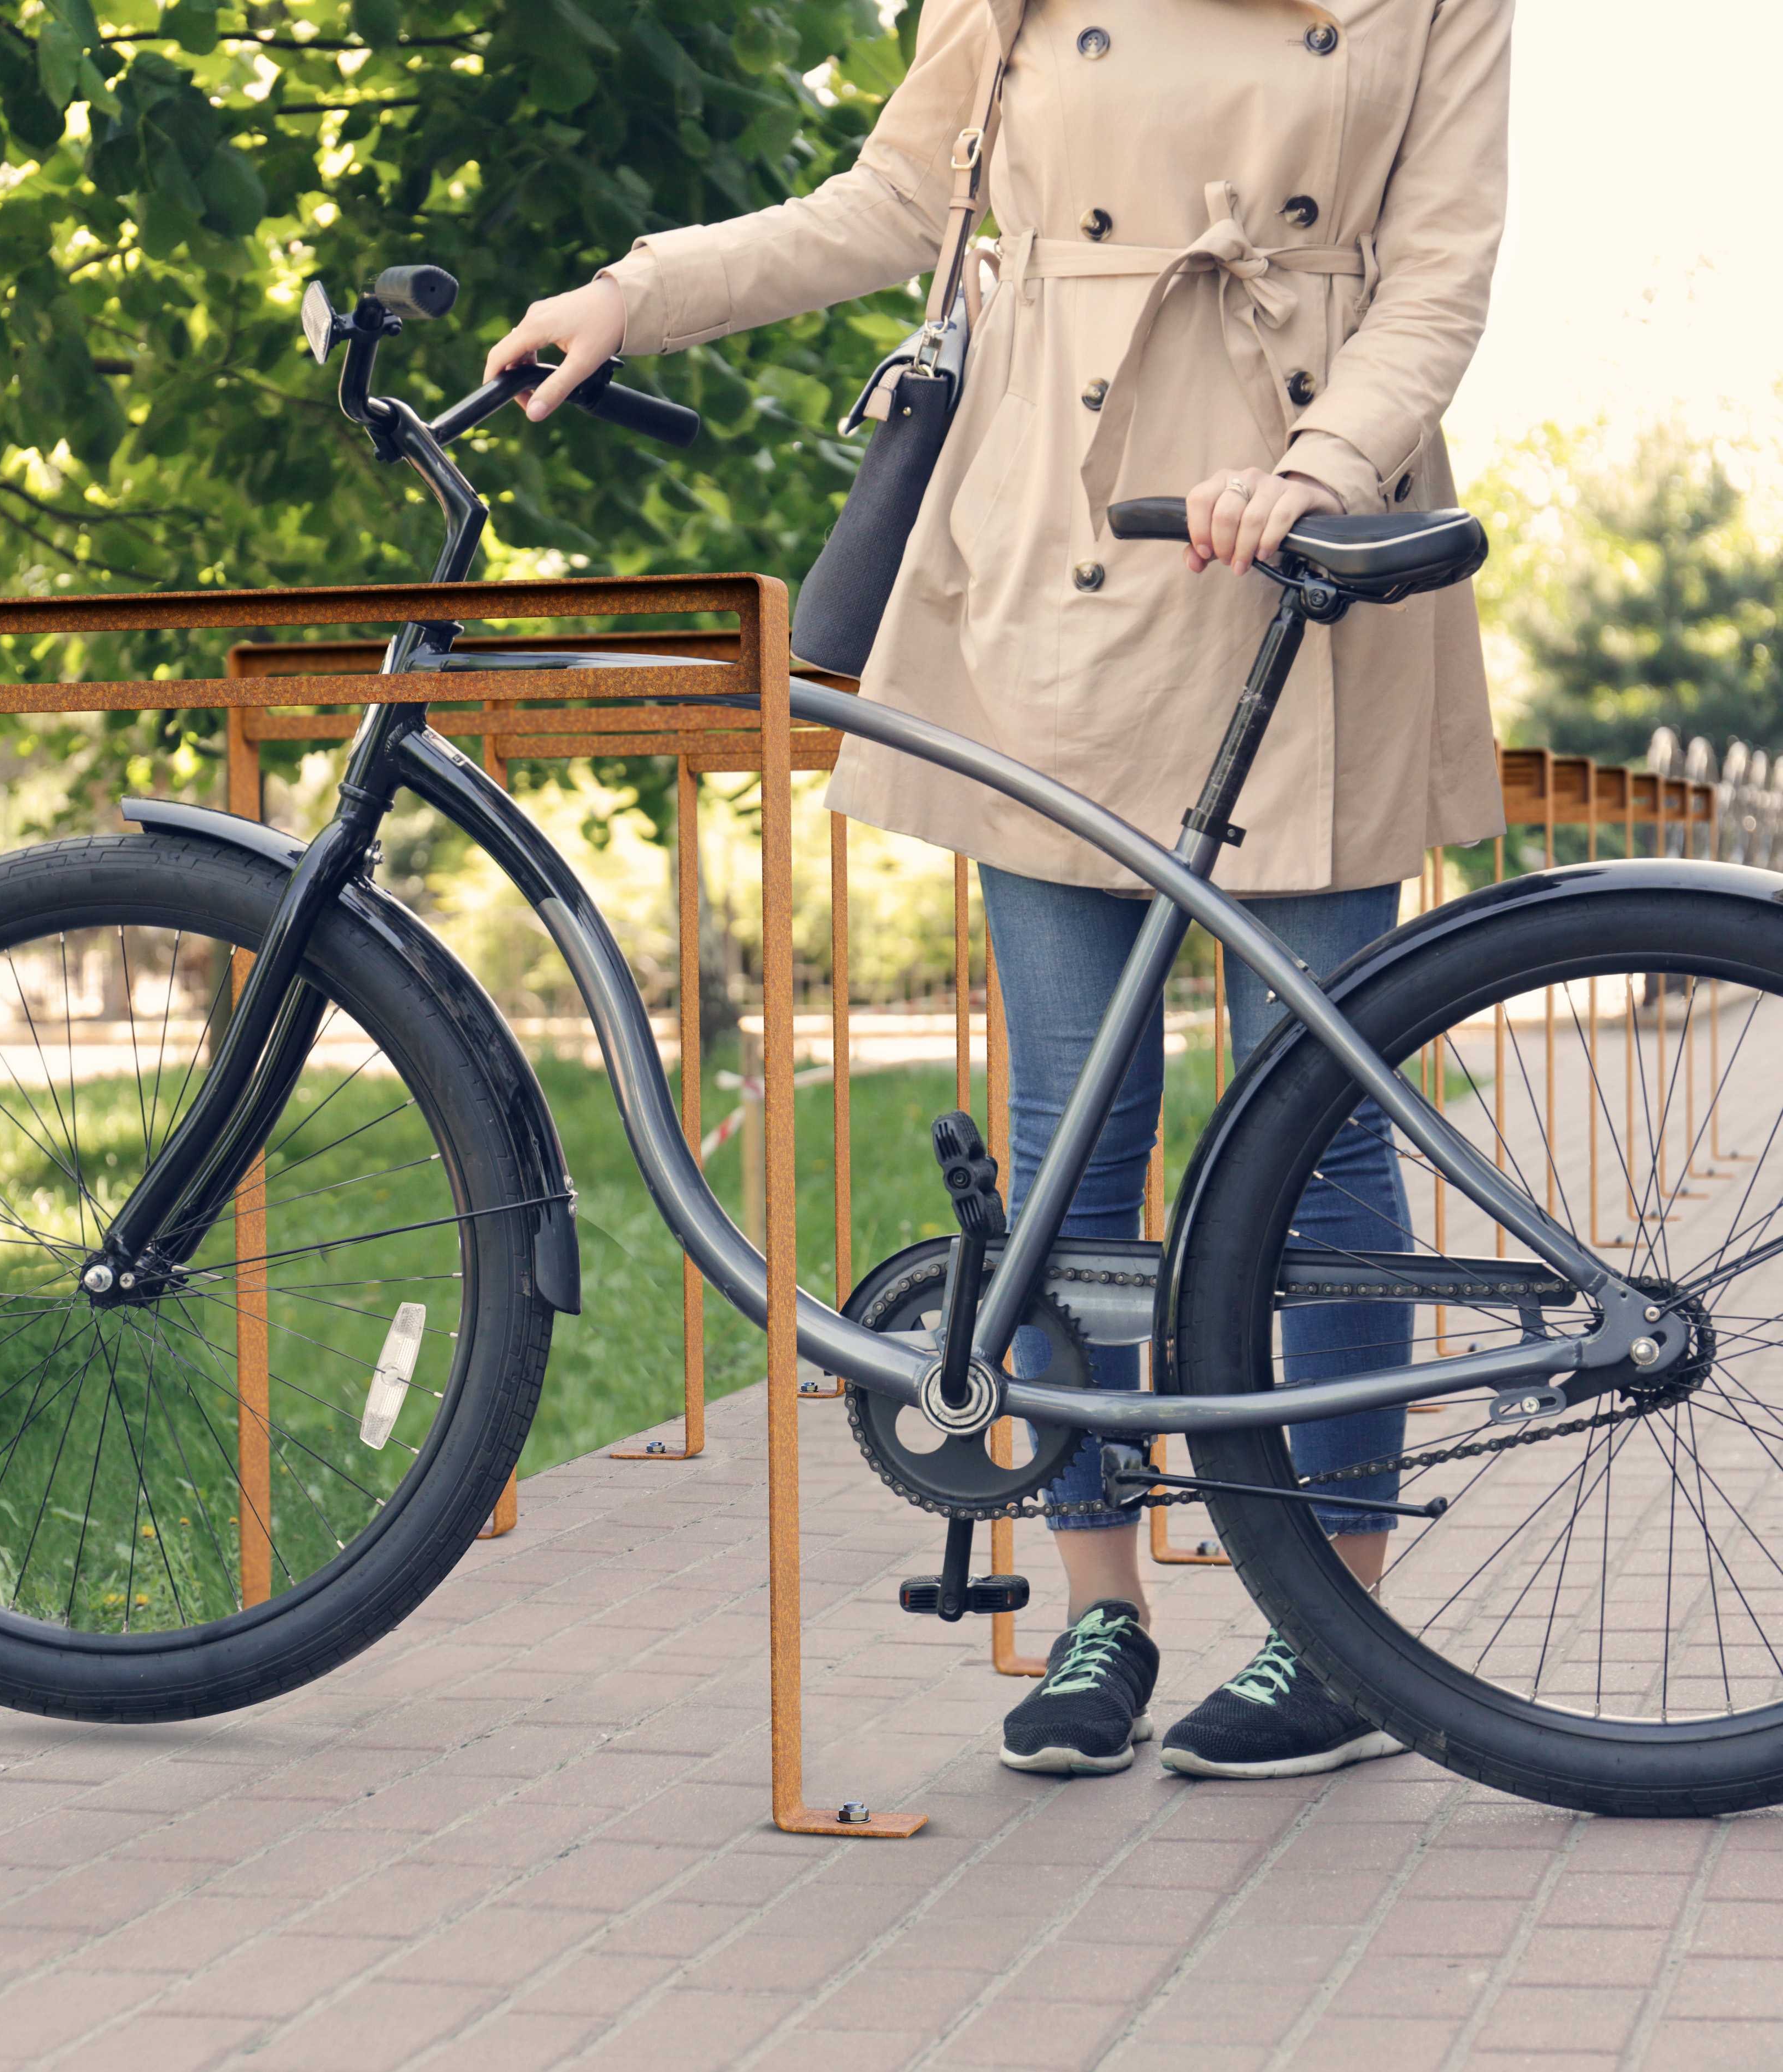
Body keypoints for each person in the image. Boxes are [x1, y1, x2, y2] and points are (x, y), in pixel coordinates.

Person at [486, 0, 1511, 1781]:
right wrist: (632, 292)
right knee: (1071, 1135)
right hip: (1060, 549)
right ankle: (1098, 1603)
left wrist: (1317, 471)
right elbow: (891, 205)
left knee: (1323, 1133)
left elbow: (1438, 273)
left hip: (1291, 556)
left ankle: (1333, 1637)